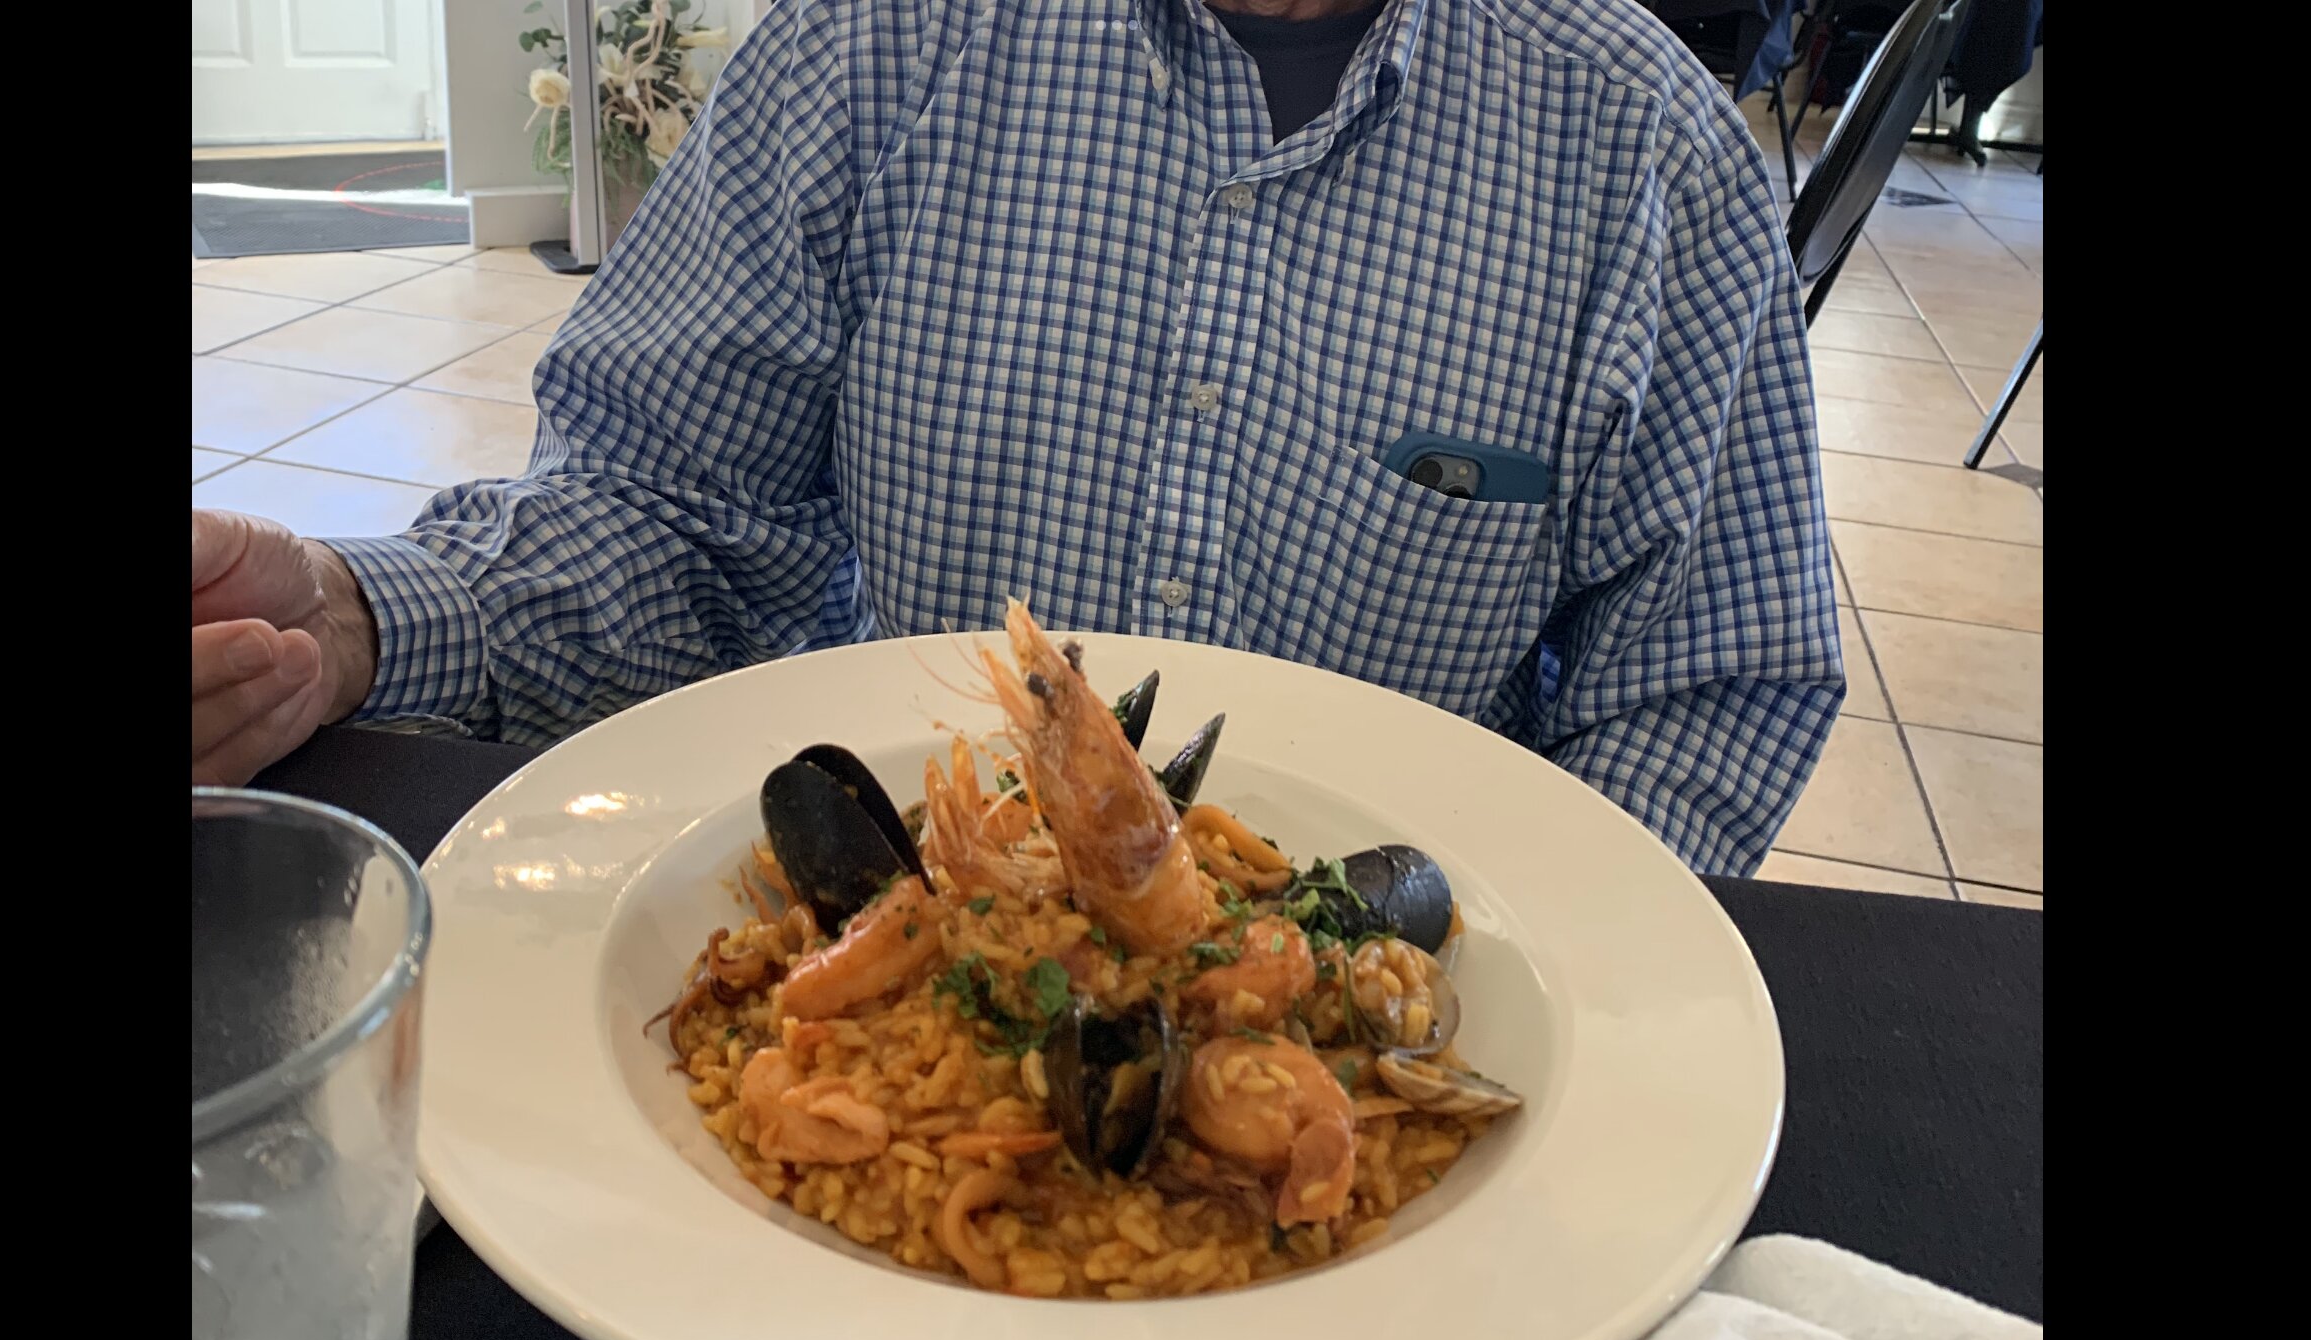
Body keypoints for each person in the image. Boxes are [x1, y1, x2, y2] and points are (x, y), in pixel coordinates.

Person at [191, 0, 1843, 875]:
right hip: (911, 945)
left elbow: (1709, 689)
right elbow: (670, 512)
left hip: (1371, 1021)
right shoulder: (874, 48)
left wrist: (1519, 980)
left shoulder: (1648, 154)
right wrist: (337, 620)